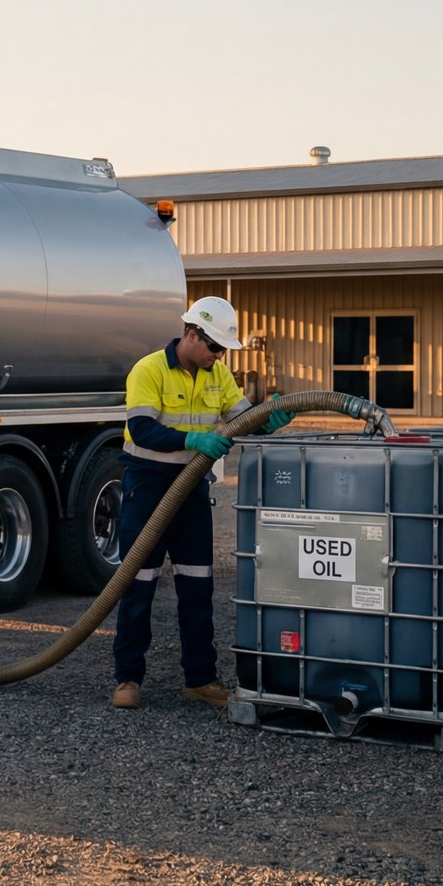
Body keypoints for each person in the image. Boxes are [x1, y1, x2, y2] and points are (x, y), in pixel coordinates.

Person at [109, 296, 293, 710]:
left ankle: (200, 678)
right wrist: (193, 440)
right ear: (192, 335)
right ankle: (128, 680)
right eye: (214, 347)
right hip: (148, 488)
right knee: (138, 587)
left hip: (191, 491)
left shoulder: (217, 374)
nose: (218, 356)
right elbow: (140, 430)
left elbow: (244, 417)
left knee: (197, 586)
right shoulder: (149, 369)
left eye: (223, 350)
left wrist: (269, 421)